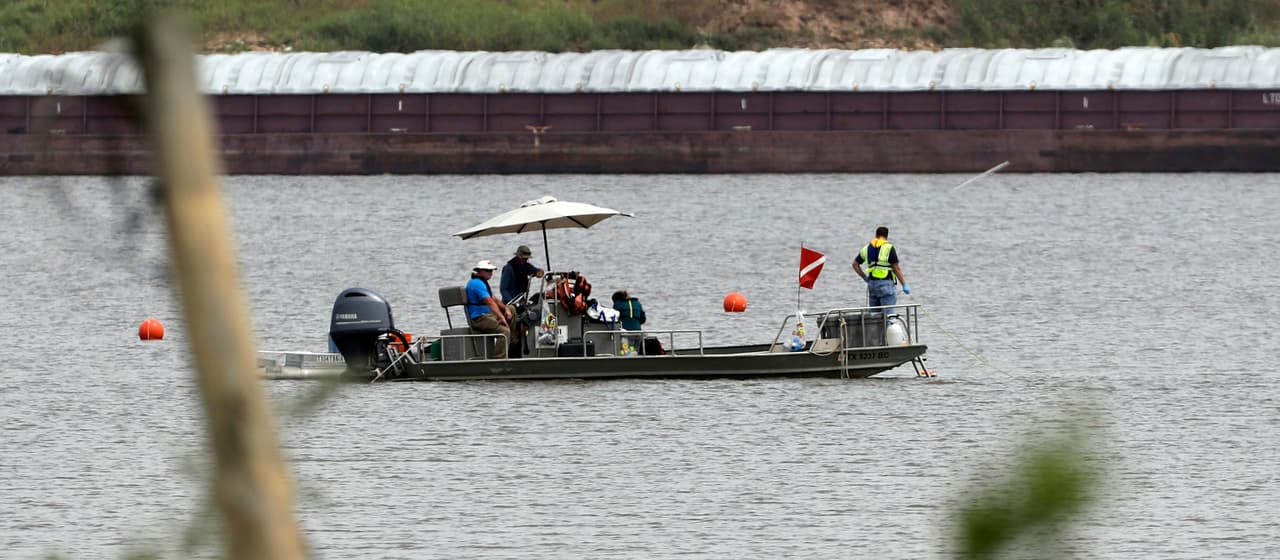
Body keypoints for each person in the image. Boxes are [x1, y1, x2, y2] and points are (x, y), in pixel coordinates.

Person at [852, 226, 910, 314]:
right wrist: (904, 285)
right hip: (886, 285)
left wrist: (865, 278)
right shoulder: (889, 248)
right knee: (889, 316)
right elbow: (896, 268)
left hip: (872, 285)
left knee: (874, 316)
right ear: (886, 236)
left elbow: (855, 264)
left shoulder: (866, 248)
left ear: (876, 235)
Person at [466, 259, 513, 359]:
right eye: (488, 271)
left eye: (491, 271)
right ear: (479, 271)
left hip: (487, 316)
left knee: (512, 319)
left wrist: (506, 309)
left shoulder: (482, 283)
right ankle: (499, 359)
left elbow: (494, 299)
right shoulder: (476, 284)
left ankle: (512, 353)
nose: (490, 273)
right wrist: (501, 317)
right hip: (479, 318)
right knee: (504, 332)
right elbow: (489, 302)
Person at [612, 290, 646, 355]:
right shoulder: (637, 303)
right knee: (635, 351)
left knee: (625, 353)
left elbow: (614, 320)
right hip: (638, 332)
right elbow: (643, 319)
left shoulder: (617, 305)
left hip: (625, 333)